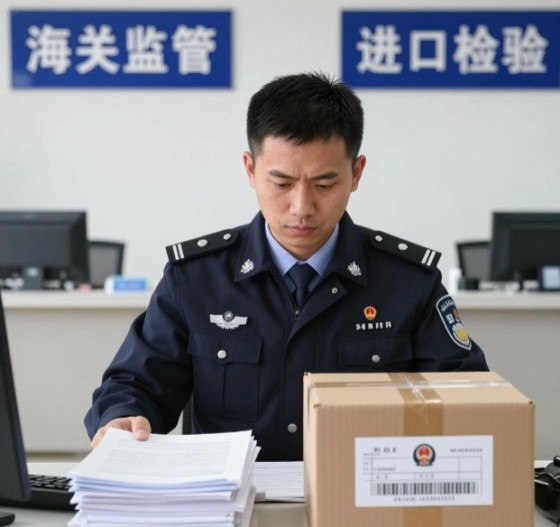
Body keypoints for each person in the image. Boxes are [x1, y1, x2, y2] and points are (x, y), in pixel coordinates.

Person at [85, 72, 488, 461]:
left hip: (358, 492)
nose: (301, 208)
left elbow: (466, 395)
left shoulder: (408, 282)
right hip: (232, 497)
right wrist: (123, 416)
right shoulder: (196, 279)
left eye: (324, 185)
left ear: (356, 173)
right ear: (250, 169)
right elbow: (137, 382)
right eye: (281, 183)